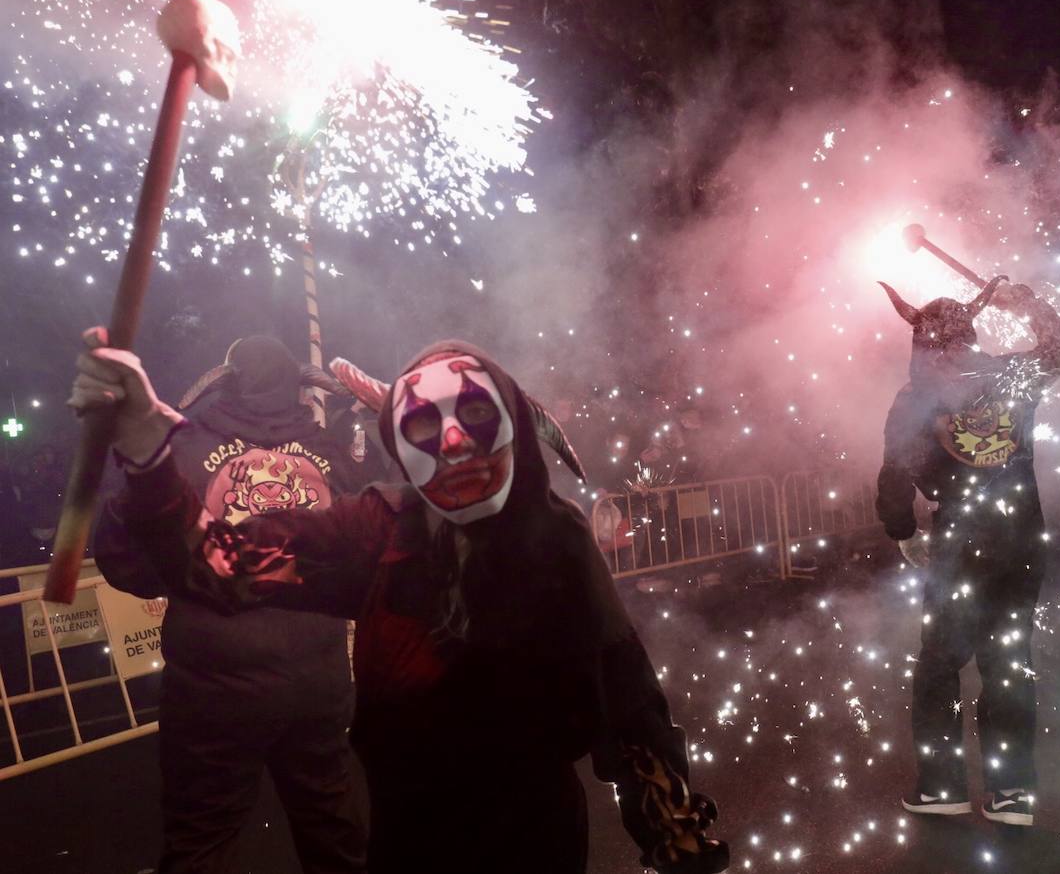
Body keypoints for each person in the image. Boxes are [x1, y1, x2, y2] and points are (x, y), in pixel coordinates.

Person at [77, 332, 728, 874]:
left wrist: (673, 831)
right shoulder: (376, 529)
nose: (449, 445)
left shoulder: (556, 540)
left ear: (513, 423)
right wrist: (146, 453)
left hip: (536, 842)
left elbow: (627, 701)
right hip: (410, 842)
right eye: (422, 426)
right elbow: (215, 564)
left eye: (473, 415)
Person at [93, 335, 369, 874]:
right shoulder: (334, 456)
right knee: (332, 824)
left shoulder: (182, 453)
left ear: (228, 380)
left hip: (213, 685)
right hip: (318, 679)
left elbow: (131, 568)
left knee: (204, 836)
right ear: (295, 384)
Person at [874, 276, 1060, 826]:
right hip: (1021, 537)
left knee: (941, 662)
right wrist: (1028, 303)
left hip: (961, 543)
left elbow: (895, 473)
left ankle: (943, 788)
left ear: (919, 340)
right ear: (970, 331)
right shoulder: (1012, 374)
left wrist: (901, 530)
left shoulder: (916, 397)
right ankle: (1012, 794)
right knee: (1008, 661)